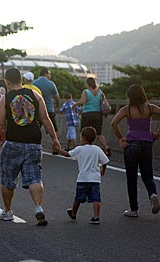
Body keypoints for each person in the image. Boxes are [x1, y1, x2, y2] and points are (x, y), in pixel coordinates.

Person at [0, 68, 61, 226]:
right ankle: (38, 207)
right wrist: (54, 138)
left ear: (7, 82)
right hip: (34, 143)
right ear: (21, 80)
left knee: (8, 178)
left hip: (13, 142)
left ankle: (8, 211)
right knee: (34, 177)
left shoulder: (5, 97)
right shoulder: (36, 96)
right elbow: (45, 118)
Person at [111, 84, 160, 217]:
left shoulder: (127, 109)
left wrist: (121, 138)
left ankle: (134, 210)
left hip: (132, 144)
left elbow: (113, 122)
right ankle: (153, 194)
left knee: (131, 179)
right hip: (147, 143)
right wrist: (157, 133)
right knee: (148, 176)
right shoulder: (150, 108)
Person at [54, 127, 109, 224]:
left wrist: (58, 149)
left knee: (78, 198)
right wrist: (102, 170)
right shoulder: (97, 149)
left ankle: (74, 213)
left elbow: (67, 154)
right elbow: (105, 161)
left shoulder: (79, 149)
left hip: (83, 178)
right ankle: (96, 216)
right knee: (96, 198)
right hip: (95, 179)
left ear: (83, 138)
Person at [72, 77, 112, 157]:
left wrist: (75, 104)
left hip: (87, 114)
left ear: (88, 84)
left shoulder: (86, 91)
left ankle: (82, 151)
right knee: (98, 134)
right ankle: (106, 147)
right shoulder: (100, 91)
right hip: (97, 114)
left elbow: (82, 101)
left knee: (83, 132)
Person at [33, 67, 60, 155]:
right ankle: (55, 148)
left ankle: (35, 146)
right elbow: (57, 97)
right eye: (49, 73)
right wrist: (57, 106)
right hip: (49, 109)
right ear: (45, 73)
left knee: (36, 129)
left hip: (37, 110)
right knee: (54, 129)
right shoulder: (51, 84)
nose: (50, 75)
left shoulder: (34, 83)